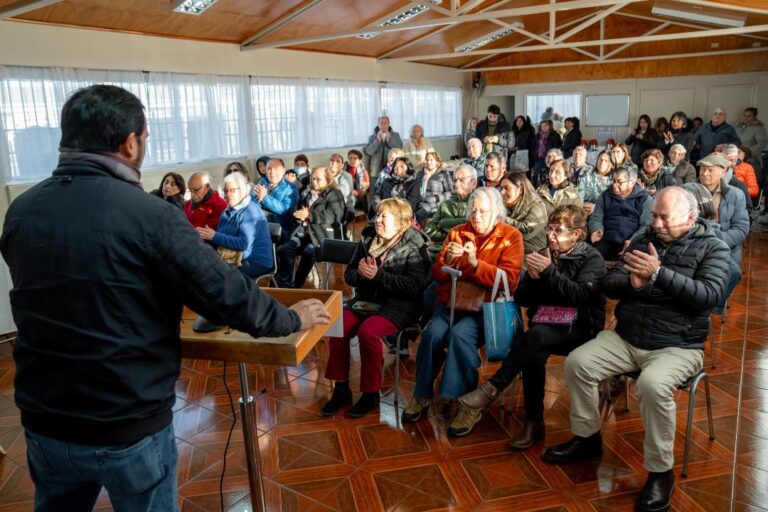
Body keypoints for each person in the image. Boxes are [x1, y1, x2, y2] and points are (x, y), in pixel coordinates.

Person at [0, 84, 330, 511]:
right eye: (146, 139)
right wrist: (291, 319)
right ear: (130, 143)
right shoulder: (150, 215)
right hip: (125, 420)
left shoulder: (22, 210)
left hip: (46, 419)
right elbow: (225, 293)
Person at [543, 186, 730, 512]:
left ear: (690, 217)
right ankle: (588, 438)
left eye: (664, 218)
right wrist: (633, 284)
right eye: (654, 215)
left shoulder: (714, 247)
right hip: (628, 338)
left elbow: (709, 296)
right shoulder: (644, 238)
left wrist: (659, 274)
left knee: (652, 384)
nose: (656, 223)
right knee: (578, 362)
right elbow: (609, 282)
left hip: (678, 345)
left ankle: (660, 472)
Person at [447, 205, 606, 441]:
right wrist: (532, 280)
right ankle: (534, 423)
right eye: (549, 229)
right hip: (547, 325)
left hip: (580, 326)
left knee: (534, 338)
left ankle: (492, 389)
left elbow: (581, 296)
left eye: (558, 231)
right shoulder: (544, 254)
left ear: (576, 234)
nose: (551, 235)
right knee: (534, 351)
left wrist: (549, 272)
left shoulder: (591, 258)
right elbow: (521, 299)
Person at [402, 188, 524, 422]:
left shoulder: (511, 236)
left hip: (485, 308)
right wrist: (448, 260)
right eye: (473, 210)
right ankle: (421, 394)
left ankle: (466, 402)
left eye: (483, 211)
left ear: (497, 212)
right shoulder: (458, 232)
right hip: (451, 302)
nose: (476, 216)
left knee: (460, 335)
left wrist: (476, 265)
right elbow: (438, 275)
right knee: (432, 335)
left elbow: (509, 280)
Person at [322, 198, 430, 418]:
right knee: (338, 326)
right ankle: (341, 389)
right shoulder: (368, 238)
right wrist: (362, 275)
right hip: (366, 301)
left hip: (400, 305)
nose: (377, 220)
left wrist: (378, 277)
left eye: (384, 216)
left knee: (368, 332)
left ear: (401, 223)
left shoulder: (415, 245)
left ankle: (370, 394)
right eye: (378, 215)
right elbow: (349, 274)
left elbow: (413, 286)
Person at [276, 166, 346, 289]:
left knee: (309, 251)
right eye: (312, 179)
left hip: (323, 236)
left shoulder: (335, 194)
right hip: (304, 233)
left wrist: (309, 215)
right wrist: (298, 216)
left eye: (318, 179)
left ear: (328, 180)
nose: (314, 182)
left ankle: (295, 286)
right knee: (285, 249)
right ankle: (285, 286)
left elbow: (334, 216)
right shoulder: (306, 193)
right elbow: (297, 210)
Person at [697, 153, 749, 315]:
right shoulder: (690, 190)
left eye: (710, 170)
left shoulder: (735, 194)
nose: (704, 173)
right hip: (694, 242)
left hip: (722, 245)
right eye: (702, 169)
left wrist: (719, 241)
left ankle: (710, 308)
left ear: (723, 172)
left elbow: (741, 228)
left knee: (733, 273)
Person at [197, 172, 274, 279]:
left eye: (232, 190)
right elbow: (220, 240)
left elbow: (243, 244)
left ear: (243, 190)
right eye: (226, 191)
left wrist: (214, 236)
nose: (228, 194)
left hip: (255, 261)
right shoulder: (227, 211)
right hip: (233, 258)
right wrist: (204, 237)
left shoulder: (251, 211)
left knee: (219, 277)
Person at [589, 167, 652, 261]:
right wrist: (597, 229)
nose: (615, 185)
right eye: (614, 181)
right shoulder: (605, 196)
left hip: (631, 241)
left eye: (619, 182)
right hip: (606, 238)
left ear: (632, 182)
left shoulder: (644, 199)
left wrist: (632, 240)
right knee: (592, 259)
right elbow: (596, 218)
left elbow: (646, 225)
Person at [423, 164, 478, 259]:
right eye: (455, 180)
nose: (456, 184)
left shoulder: (478, 204)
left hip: (465, 253)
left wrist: (443, 223)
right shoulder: (445, 205)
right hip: (439, 250)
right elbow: (428, 230)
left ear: (473, 184)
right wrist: (452, 234)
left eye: (461, 180)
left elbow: (474, 231)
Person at [500, 172, 547, 253]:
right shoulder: (503, 205)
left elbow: (526, 232)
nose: (502, 192)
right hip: (511, 251)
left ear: (521, 189)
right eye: (501, 188)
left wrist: (502, 219)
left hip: (533, 254)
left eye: (507, 188)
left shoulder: (536, 205)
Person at [415, 150, 453, 226]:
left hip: (434, 204)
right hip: (419, 202)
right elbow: (415, 189)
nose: (428, 162)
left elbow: (451, 192)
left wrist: (436, 198)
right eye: (427, 160)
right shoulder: (420, 173)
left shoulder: (443, 173)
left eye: (431, 160)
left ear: (437, 162)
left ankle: (424, 232)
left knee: (418, 215)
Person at [577, 149, 614, 217]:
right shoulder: (587, 174)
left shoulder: (613, 180)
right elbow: (580, 193)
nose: (602, 163)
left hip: (603, 213)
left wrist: (596, 207)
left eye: (606, 161)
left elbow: (612, 201)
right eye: (601, 159)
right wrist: (581, 206)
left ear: (611, 164)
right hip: (582, 209)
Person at [533, 120, 562, 188]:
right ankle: (536, 187)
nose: (544, 127)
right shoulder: (537, 135)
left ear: (549, 126)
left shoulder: (555, 135)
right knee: (537, 173)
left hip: (550, 158)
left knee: (550, 173)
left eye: (545, 125)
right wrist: (535, 155)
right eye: (542, 126)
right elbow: (534, 146)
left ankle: (550, 187)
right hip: (540, 158)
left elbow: (558, 145)